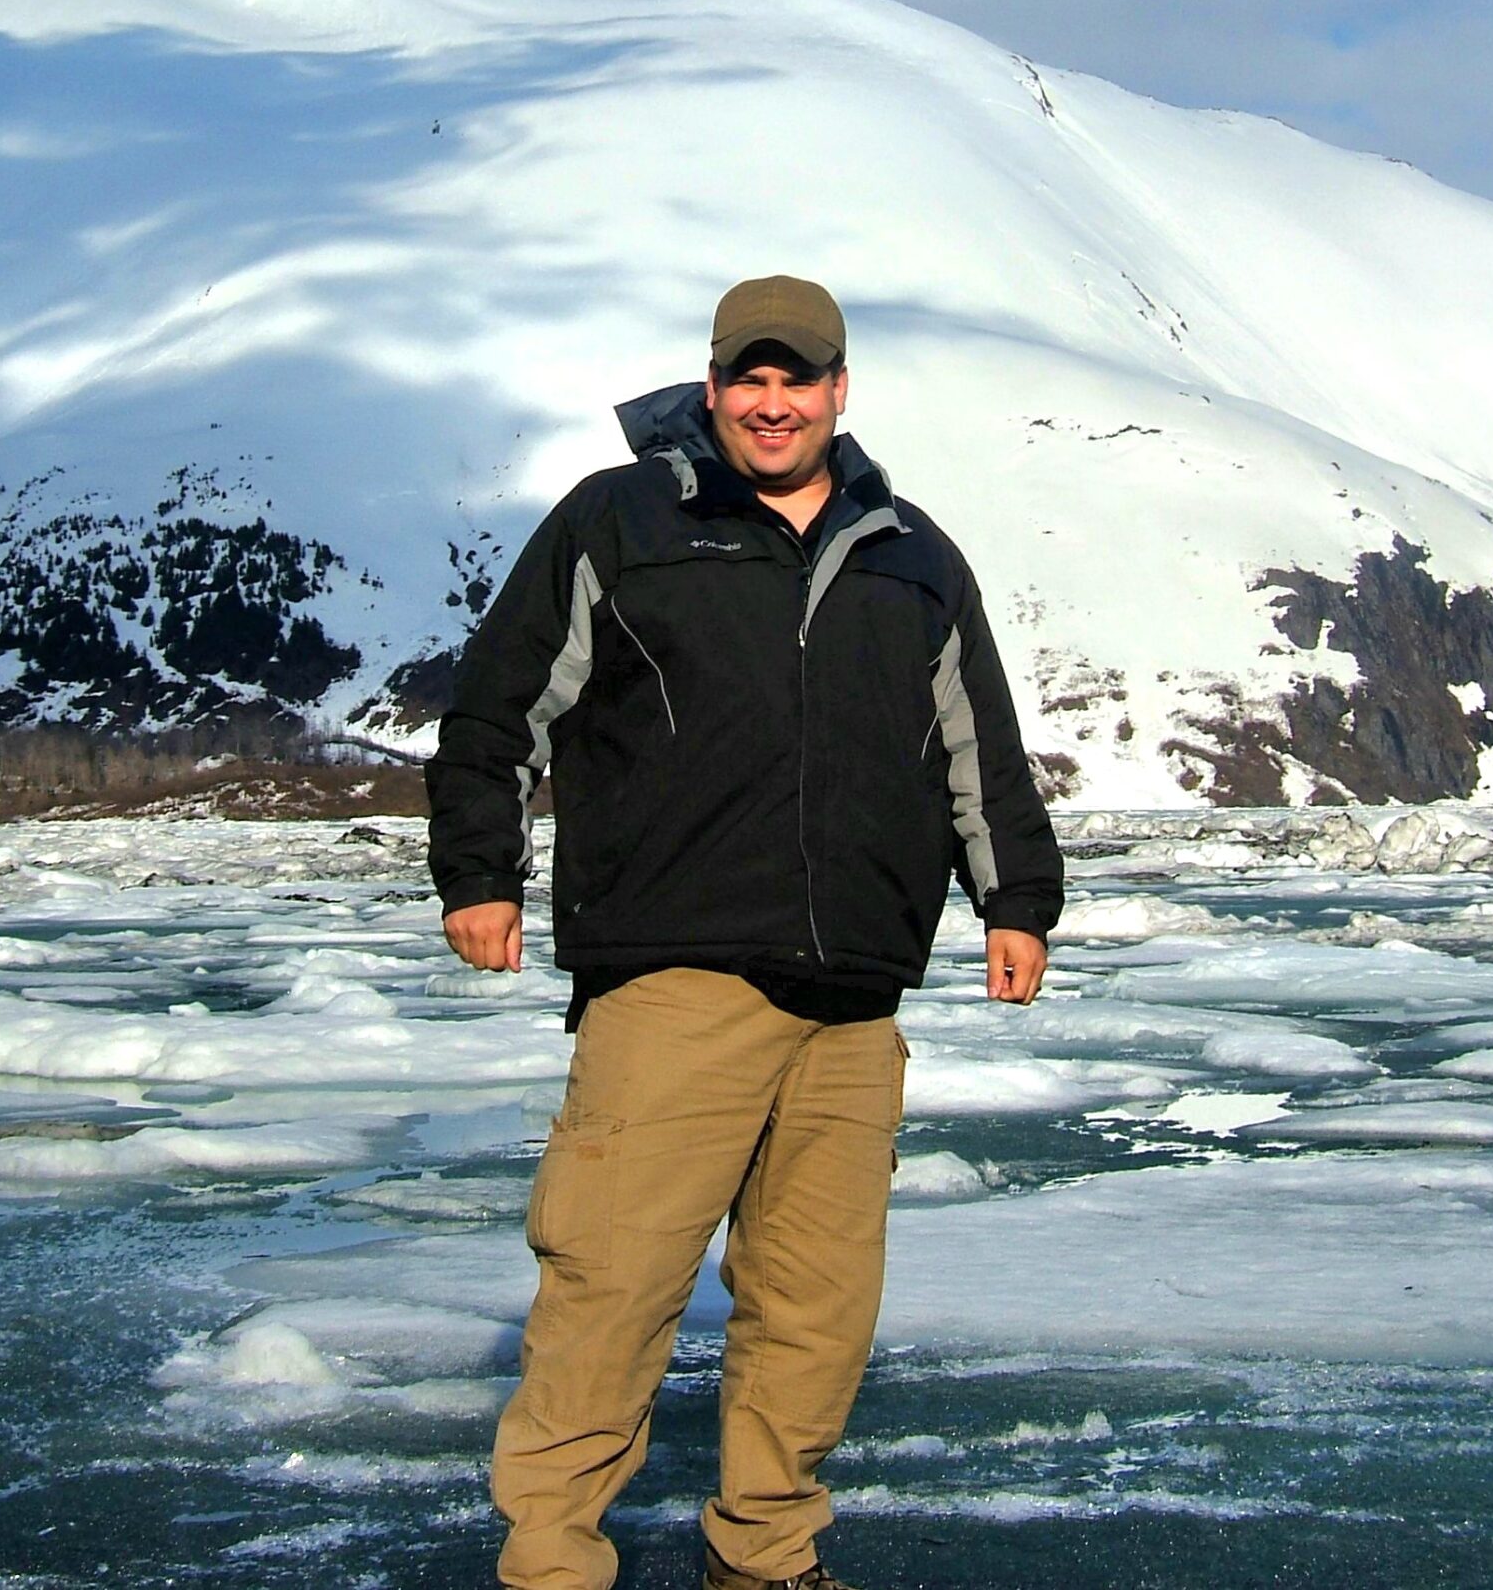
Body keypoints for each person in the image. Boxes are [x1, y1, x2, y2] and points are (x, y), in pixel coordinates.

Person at [427, 275, 1063, 1590]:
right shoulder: (621, 520)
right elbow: (496, 712)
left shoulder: (913, 555)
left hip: (854, 999)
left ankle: (767, 1558)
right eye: (751, 379)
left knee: (816, 1308)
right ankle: (552, 1565)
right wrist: (480, 875)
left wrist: (1014, 900)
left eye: (799, 380)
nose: (774, 404)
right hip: (676, 976)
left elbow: (979, 752)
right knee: (612, 1285)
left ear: (839, 391)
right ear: (714, 387)